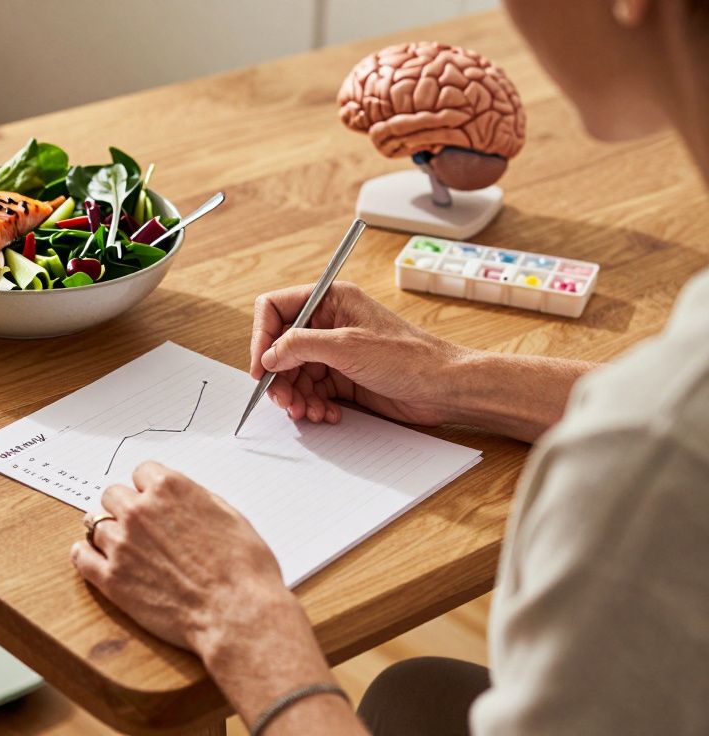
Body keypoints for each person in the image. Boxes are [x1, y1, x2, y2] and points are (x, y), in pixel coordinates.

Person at [70, 0, 709, 733]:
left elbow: (672, 430)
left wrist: (238, 618)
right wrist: (453, 378)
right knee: (417, 691)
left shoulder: (650, 463)